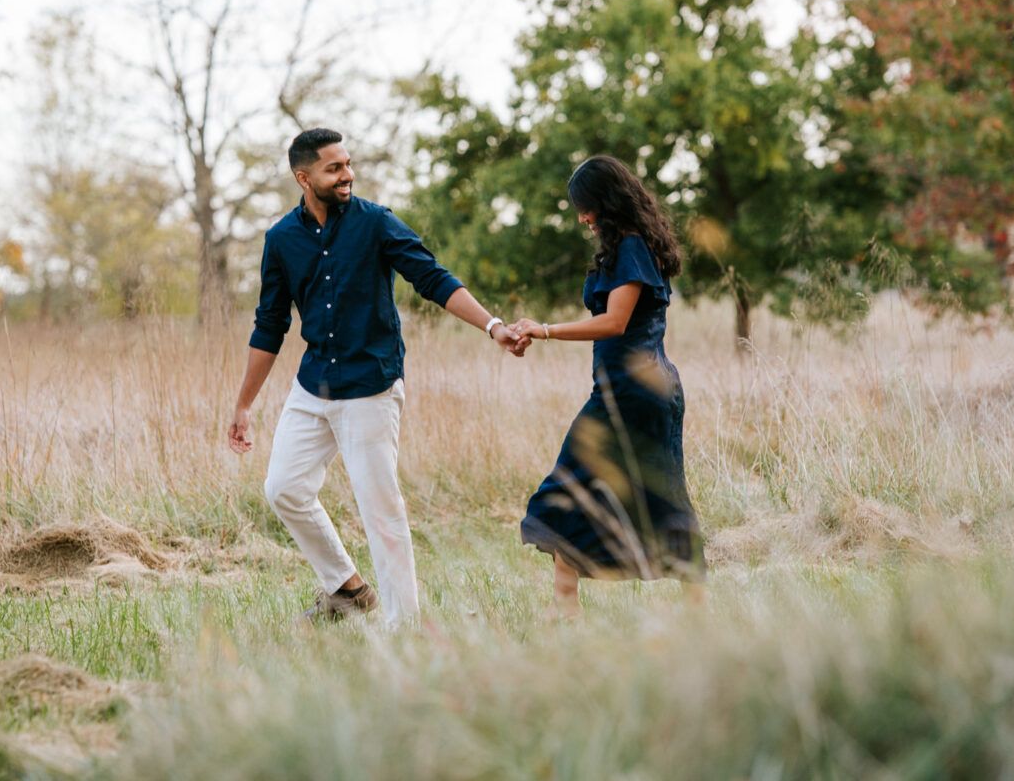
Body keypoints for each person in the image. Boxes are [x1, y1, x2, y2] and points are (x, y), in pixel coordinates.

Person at [229, 128, 528, 628]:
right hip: (313, 386)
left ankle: (403, 625)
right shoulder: (281, 239)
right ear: (304, 178)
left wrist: (493, 326)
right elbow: (270, 324)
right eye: (334, 168)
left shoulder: (376, 223)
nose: (347, 175)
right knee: (283, 488)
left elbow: (432, 277)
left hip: (371, 386)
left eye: (348, 164)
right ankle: (347, 589)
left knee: (379, 506)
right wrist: (243, 404)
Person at [512, 155, 705, 616]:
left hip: (637, 393)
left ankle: (570, 610)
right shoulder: (627, 247)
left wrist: (544, 329)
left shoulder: (633, 247)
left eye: (587, 207)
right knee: (636, 494)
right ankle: (567, 612)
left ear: (608, 202)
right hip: (628, 390)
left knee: (572, 490)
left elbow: (615, 323)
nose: (582, 217)